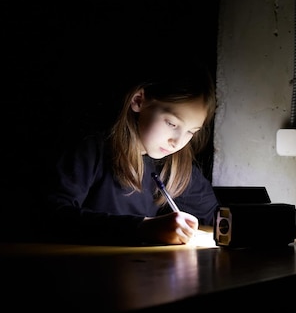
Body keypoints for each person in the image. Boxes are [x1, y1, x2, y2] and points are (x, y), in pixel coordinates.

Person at [41, 64, 219, 245]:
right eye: (172, 124)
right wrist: (142, 228)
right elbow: (52, 215)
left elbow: (216, 217)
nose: (178, 142)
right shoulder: (92, 148)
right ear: (138, 100)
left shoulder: (174, 164)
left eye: (191, 132)